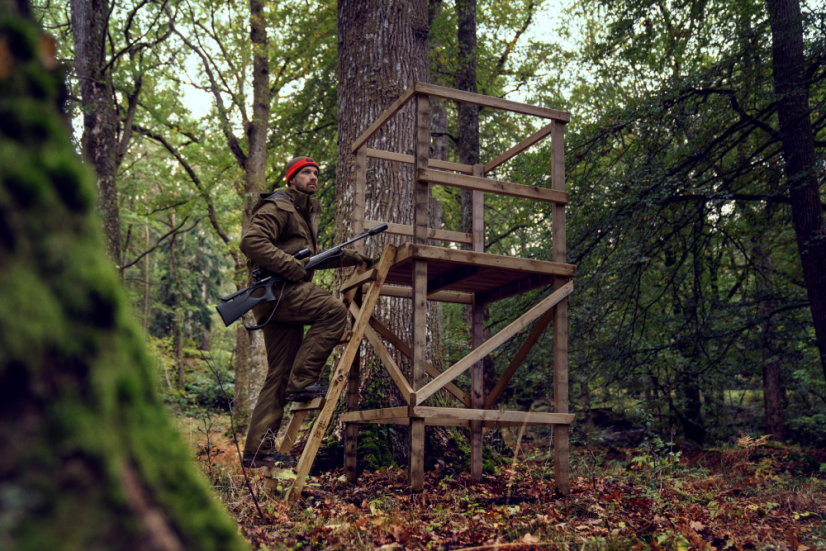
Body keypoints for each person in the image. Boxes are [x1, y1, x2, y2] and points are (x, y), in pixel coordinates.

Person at [240, 156, 373, 468]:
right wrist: (290, 266)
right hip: (279, 292)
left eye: (316, 172)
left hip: (273, 298)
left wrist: (351, 256)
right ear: (292, 178)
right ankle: (302, 381)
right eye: (306, 173)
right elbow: (251, 241)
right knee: (333, 312)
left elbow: (307, 260)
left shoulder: (302, 213)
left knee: (278, 373)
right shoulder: (280, 205)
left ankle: (257, 451)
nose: (313, 177)